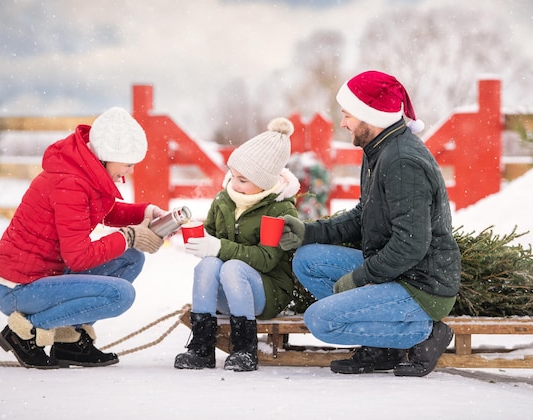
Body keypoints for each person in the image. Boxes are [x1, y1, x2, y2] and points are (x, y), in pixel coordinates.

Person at [279, 70, 461, 377]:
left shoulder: (403, 161)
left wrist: (361, 278)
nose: (343, 122)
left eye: (348, 115)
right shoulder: (378, 150)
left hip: (422, 285)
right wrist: (308, 232)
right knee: (308, 260)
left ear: (370, 116)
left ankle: (427, 332)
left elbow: (411, 243)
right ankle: (383, 349)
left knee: (322, 321)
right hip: (397, 271)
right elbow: (364, 216)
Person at [0, 107, 166, 369]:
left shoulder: (82, 172)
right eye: (128, 163)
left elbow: (104, 212)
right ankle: (23, 332)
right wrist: (129, 236)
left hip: (47, 276)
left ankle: (68, 342)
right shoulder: (69, 184)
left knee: (130, 259)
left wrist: (146, 212)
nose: (129, 171)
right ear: (108, 156)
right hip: (17, 289)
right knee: (120, 295)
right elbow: (79, 256)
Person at [174, 117, 300, 372]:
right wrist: (200, 242)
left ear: (265, 182)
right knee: (208, 266)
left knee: (232, 267)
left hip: (266, 294)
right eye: (233, 176)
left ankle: (244, 348)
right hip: (227, 293)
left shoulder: (280, 210)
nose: (234, 184)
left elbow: (266, 258)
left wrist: (218, 247)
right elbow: (211, 236)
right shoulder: (224, 199)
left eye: (243, 180)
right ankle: (201, 347)